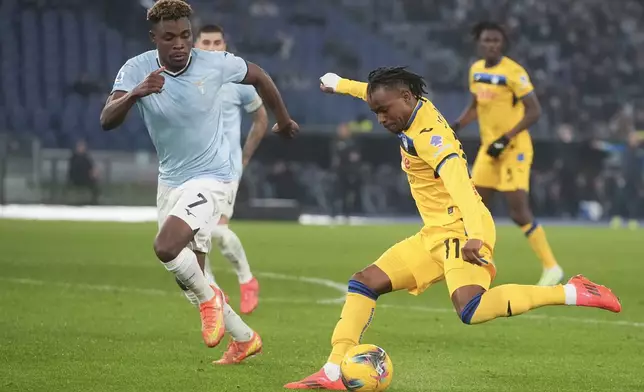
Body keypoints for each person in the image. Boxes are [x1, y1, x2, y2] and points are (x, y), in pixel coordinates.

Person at [283, 68, 621, 390]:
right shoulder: (412, 106)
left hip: (461, 231)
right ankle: (332, 370)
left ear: (406, 96)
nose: (382, 119)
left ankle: (572, 292)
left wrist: (475, 235)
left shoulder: (432, 140)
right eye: (376, 112)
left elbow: (462, 188)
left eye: (385, 111)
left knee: (471, 309)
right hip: (435, 232)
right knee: (364, 282)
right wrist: (341, 84)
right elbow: (372, 93)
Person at [99, 0, 297, 363]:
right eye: (170, 37)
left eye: (186, 36)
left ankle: (212, 301)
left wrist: (283, 120)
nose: (180, 44)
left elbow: (260, 76)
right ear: (154, 38)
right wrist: (135, 93)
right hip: (170, 181)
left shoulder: (215, 63)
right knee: (194, 278)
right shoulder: (136, 69)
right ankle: (244, 338)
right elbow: (107, 119)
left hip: (213, 178)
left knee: (166, 247)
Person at [450, 22, 564, 286]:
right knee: (475, 205)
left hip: (514, 148)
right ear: (479, 42)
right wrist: (456, 125)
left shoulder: (514, 72)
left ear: (503, 44)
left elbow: (534, 111)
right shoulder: (475, 70)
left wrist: (506, 138)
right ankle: (478, 262)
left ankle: (552, 267)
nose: (491, 44)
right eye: (487, 40)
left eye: (496, 40)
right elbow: (476, 106)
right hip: (489, 149)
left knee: (518, 211)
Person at [193, 24, 267, 314]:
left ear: (226, 46)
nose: (212, 48)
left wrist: (244, 157)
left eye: (217, 43)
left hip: (225, 168)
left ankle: (247, 281)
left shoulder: (238, 82)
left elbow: (261, 119)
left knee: (218, 232)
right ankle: (213, 296)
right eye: (206, 42)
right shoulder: (186, 79)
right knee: (194, 237)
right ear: (196, 45)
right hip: (193, 168)